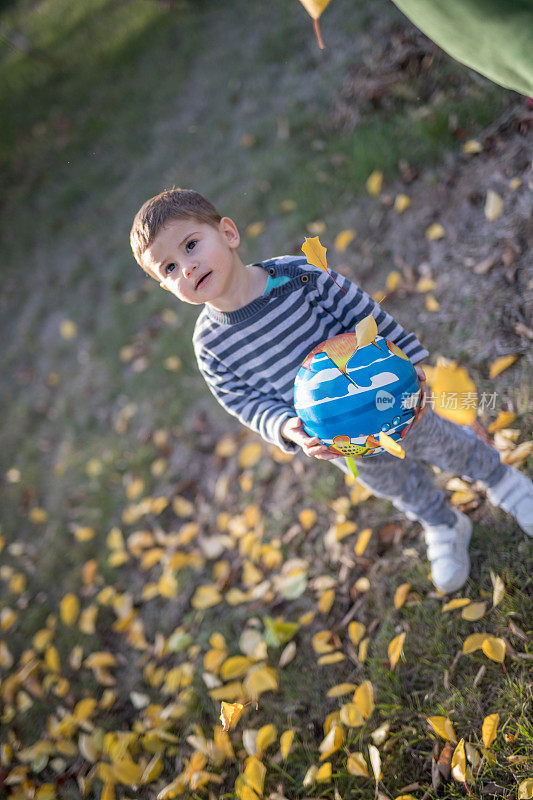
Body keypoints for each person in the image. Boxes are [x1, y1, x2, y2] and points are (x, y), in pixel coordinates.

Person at [130, 188, 533, 593]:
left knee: (443, 443)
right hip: (336, 434)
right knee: (391, 482)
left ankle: (502, 482)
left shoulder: (299, 277)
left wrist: (411, 363)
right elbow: (241, 400)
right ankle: (443, 523)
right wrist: (288, 428)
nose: (187, 267)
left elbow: (363, 313)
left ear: (229, 234)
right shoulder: (210, 345)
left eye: (191, 245)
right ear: (167, 288)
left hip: (386, 392)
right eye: (168, 268)